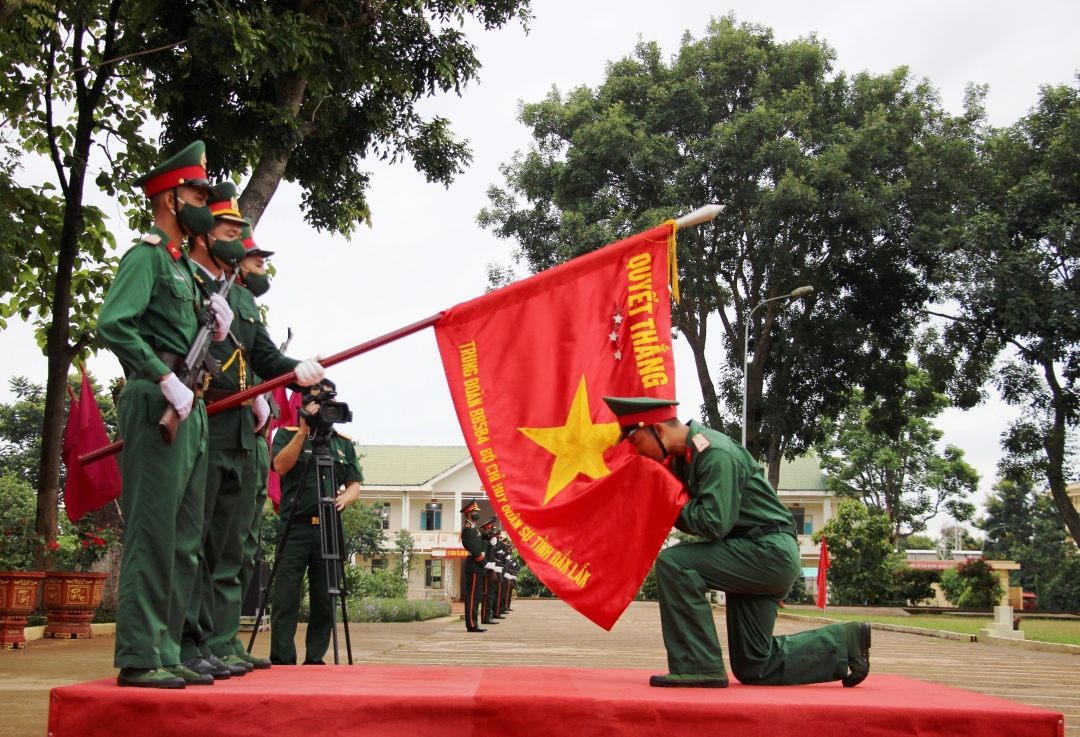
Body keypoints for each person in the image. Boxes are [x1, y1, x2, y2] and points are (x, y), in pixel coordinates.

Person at [601, 396, 871, 689]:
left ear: (659, 430)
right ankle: (846, 642)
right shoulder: (685, 458)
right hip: (753, 554)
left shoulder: (714, 452)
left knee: (675, 563)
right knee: (754, 665)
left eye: (637, 441)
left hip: (768, 553)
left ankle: (698, 666)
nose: (637, 450)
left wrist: (666, 503)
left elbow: (713, 523)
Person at [99, 141, 230, 688]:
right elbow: (115, 323)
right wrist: (162, 376)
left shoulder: (183, 269)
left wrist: (217, 329)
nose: (205, 202)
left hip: (190, 403)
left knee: (184, 539)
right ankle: (138, 655)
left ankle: (167, 648)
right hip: (159, 401)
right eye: (198, 194)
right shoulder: (147, 255)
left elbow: (194, 339)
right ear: (171, 199)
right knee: (153, 533)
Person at [179, 190, 325, 678]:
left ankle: (222, 640)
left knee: (232, 545)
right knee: (197, 540)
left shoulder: (242, 300)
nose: (258, 263)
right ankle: (190, 641)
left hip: (244, 428)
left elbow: (263, 357)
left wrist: (295, 372)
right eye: (253, 255)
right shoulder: (198, 283)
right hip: (210, 420)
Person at [269, 379, 364, 664]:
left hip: (328, 529)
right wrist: (303, 431)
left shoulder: (341, 443)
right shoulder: (286, 436)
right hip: (294, 527)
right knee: (286, 598)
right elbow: (280, 467)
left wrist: (345, 498)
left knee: (325, 599)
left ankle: (315, 659)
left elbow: (354, 483)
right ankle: (283, 657)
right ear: (301, 403)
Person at [459, 499, 488, 632]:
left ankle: (474, 623)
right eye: (475, 512)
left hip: (477, 566)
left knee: (477, 596)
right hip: (474, 564)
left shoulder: (475, 528)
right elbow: (474, 549)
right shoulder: (467, 530)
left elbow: (483, 537)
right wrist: (484, 562)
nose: (477, 514)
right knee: (472, 596)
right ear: (469, 514)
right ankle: (471, 624)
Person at [479, 518, 502, 625]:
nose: (492, 534)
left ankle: (488, 615)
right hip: (486, 570)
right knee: (487, 594)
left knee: (491, 594)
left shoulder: (490, 543)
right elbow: (485, 555)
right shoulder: (484, 542)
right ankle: (485, 616)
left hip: (492, 569)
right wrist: (491, 544)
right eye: (491, 531)